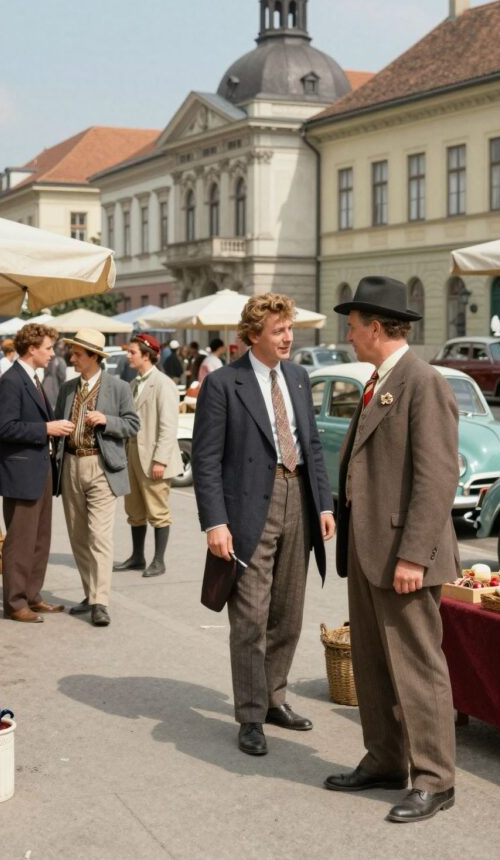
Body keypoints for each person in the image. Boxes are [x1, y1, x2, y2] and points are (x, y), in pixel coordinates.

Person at [324, 276, 459, 824]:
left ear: (376, 328)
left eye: (353, 326)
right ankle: (384, 760)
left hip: (403, 553)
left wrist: (414, 555)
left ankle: (435, 779)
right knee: (373, 664)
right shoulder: (382, 379)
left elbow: (437, 477)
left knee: (417, 667)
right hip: (368, 546)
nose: (348, 335)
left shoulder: (422, 381)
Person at [193, 293, 335, 757]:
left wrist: (324, 505)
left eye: (290, 329)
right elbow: (206, 460)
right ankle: (251, 715)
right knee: (250, 618)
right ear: (253, 335)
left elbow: (312, 446)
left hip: (299, 498)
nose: (288, 337)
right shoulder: (223, 383)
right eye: (278, 331)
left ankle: (275, 698)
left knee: (288, 613)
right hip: (249, 508)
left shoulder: (298, 377)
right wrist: (215, 522)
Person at [53, 327, 140, 628]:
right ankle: (90, 594)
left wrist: (107, 420)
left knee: (99, 537)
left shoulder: (119, 387)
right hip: (70, 465)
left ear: (93, 357)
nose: (72, 358)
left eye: (78, 354)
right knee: (78, 535)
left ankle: (101, 602)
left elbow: (133, 424)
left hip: (102, 467)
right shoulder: (67, 388)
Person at [0, 322, 73, 623]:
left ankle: (32, 594)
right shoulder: (11, 381)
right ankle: (15, 603)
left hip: (39, 468)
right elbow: (5, 428)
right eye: (48, 348)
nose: (52, 354)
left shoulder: (32, 378)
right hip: (21, 472)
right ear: (32, 349)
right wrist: (46, 428)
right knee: (21, 540)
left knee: (39, 538)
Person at [115, 334, 183, 577]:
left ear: (146, 355)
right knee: (134, 510)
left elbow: (168, 426)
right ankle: (137, 557)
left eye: (132, 352)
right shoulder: (133, 383)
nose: (128, 356)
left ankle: (159, 560)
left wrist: (160, 460)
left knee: (157, 510)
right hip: (133, 454)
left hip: (154, 457)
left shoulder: (163, 384)